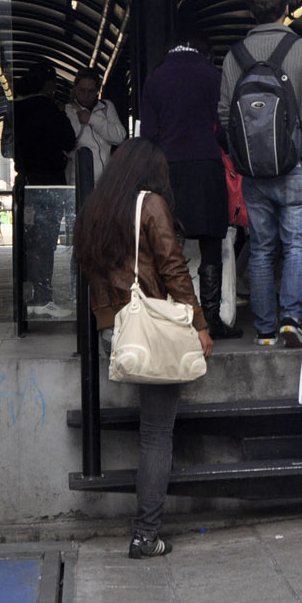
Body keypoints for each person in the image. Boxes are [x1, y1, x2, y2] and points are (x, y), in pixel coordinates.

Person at [71, 138, 214, 559]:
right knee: (156, 435)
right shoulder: (149, 204)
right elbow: (173, 268)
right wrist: (200, 325)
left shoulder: (96, 208)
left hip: (114, 330)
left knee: (152, 430)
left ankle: (146, 532)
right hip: (150, 328)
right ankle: (145, 534)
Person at [218, 0, 302, 347]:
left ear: (251, 11)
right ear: (287, 9)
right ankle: (291, 320)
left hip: (251, 169)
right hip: (295, 162)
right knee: (297, 242)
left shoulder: (234, 56)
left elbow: (224, 115)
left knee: (262, 246)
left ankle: (265, 329)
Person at [142, 33, 241, 339]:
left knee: (170, 241)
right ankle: (210, 318)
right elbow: (225, 126)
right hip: (207, 166)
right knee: (211, 242)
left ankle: (173, 316)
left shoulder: (156, 78)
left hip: (168, 170)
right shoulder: (213, 76)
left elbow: (148, 133)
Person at [9, 64, 76, 311]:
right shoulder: (50, 109)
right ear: (48, 85)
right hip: (50, 182)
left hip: (24, 182)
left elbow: (8, 148)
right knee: (45, 241)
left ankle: (25, 296)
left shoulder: (15, 110)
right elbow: (68, 140)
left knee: (26, 241)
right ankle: (43, 297)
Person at [66, 67, 127, 185]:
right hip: (79, 180)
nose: (86, 95)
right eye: (82, 90)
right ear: (75, 90)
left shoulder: (107, 107)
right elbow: (68, 145)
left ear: (97, 91)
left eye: (91, 91)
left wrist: (92, 119)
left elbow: (119, 136)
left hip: (107, 181)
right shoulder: (68, 111)